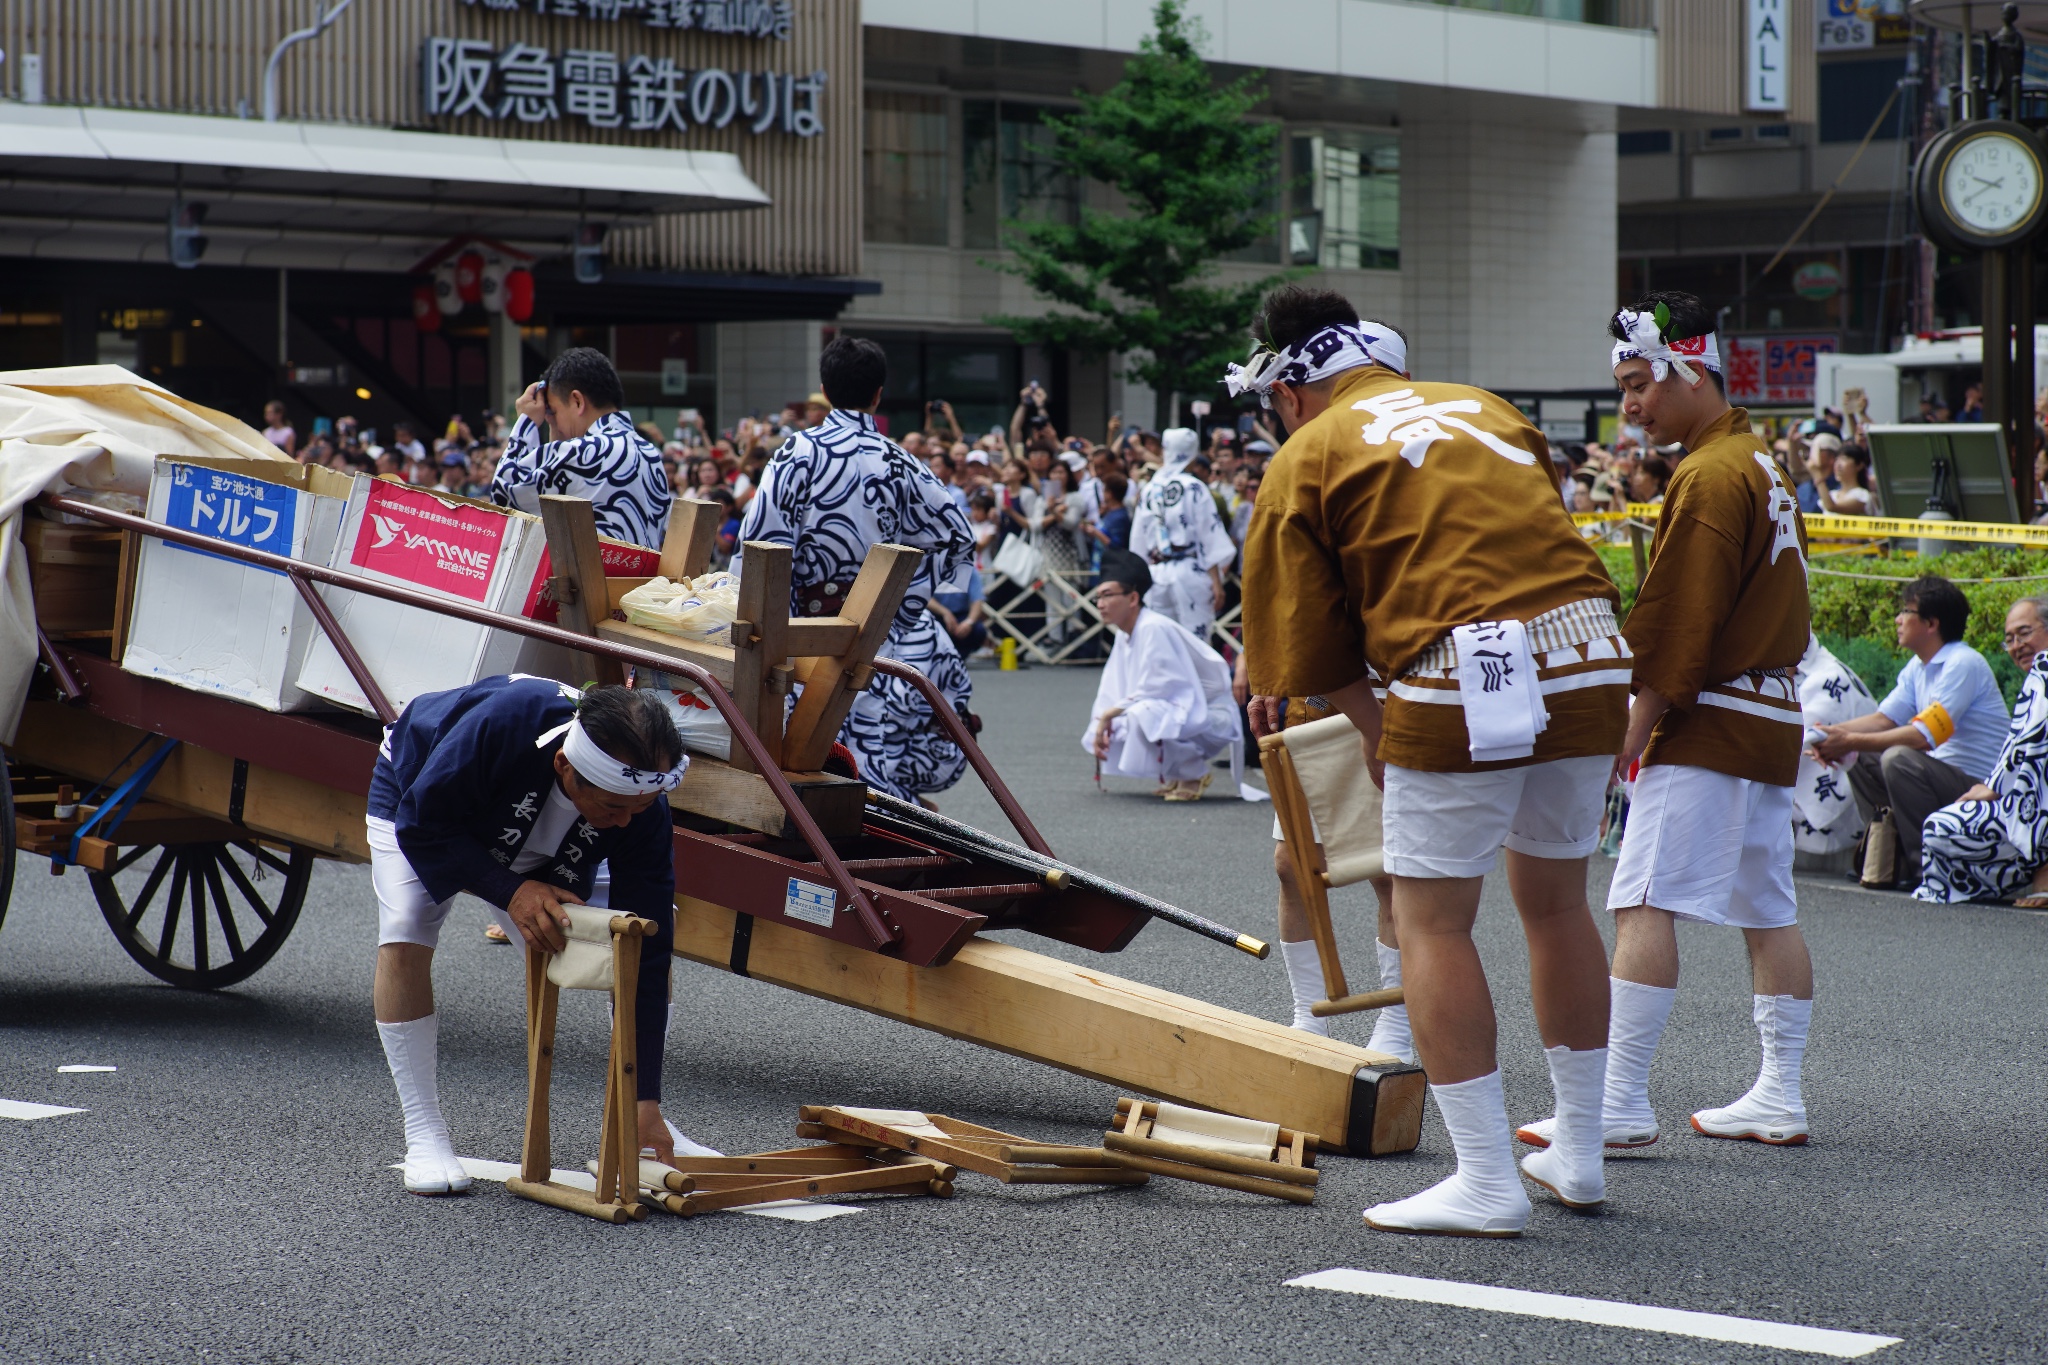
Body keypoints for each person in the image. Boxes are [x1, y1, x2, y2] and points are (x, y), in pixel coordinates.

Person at [1238, 285, 1627, 1237]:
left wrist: (1379, 734)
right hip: (1590, 648)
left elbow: (1303, 646)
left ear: (1289, 390)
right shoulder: (1484, 404)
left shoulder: (1309, 450)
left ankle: (1488, 1177)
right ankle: (1578, 1150)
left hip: (1463, 665)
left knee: (1434, 923)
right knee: (1558, 900)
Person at [1520, 292, 1816, 1162]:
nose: (1631, 405)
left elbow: (1680, 617)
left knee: (1642, 897)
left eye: (1640, 383)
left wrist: (1633, 723)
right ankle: (1780, 1090)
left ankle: (1616, 1101)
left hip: (1712, 713)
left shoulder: (1711, 472)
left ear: (1691, 371)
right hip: (1768, 712)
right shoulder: (1758, 460)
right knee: (1768, 906)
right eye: (1624, 388)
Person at [371, 680, 689, 1194]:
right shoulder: (502, 725)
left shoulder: (637, 804)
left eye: (641, 807)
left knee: (630, 939)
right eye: (615, 808)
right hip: (424, 801)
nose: (627, 821)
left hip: (550, 832)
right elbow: (424, 824)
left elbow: (649, 945)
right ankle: (423, 1133)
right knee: (409, 925)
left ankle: (638, 1119)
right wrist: (511, 891)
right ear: (566, 765)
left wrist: (644, 1096)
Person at [737, 337, 977, 802]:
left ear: (824, 389)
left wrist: (767, 620)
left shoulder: (796, 453)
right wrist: (906, 604)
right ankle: (880, 826)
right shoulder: (900, 459)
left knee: (800, 742)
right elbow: (957, 536)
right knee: (871, 732)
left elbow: (760, 543)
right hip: (879, 630)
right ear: (878, 394)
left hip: (803, 624)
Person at [1812, 576, 2006, 887]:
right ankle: (1887, 854)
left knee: (1898, 759)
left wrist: (1847, 739)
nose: (1898, 619)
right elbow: (1883, 720)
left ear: (1931, 623)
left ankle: (1926, 868)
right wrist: (1824, 735)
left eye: (1906, 611)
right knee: (1860, 754)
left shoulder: (1963, 663)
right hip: (1939, 777)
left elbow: (1923, 737)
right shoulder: (1919, 667)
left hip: (1976, 785)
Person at [1084, 551, 1254, 803]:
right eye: (1098, 597)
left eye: (1107, 595)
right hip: (1185, 706)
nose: (1099, 604)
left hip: (1212, 713)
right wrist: (1103, 718)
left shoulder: (1153, 627)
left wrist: (1112, 713)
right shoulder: (1125, 632)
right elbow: (1112, 686)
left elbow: (1163, 689)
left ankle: (1192, 773)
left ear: (1133, 598)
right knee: (1122, 713)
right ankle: (1177, 772)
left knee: (1143, 713)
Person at [1917, 596, 2048, 904]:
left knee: (1938, 822)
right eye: (2009, 640)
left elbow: (2034, 739)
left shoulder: (2044, 666)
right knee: (1940, 827)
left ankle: (2042, 871)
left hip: (2026, 800)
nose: (2017, 645)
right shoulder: (2038, 675)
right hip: (2017, 799)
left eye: (2025, 633)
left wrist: (1993, 786)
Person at [493, 347, 672, 550]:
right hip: (646, 579)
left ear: (577, 401)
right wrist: (555, 427)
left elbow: (503, 496)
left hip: (595, 581)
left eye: (555, 411)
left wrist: (526, 421)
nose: (554, 421)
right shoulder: (650, 453)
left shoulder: (583, 451)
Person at [1131, 428, 1235, 641]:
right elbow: (1209, 536)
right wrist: (1216, 582)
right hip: (1190, 571)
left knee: (1162, 642)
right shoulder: (1195, 487)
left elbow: (1138, 540)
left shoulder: (1150, 489)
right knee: (1195, 642)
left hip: (1156, 572)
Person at [929, 558, 989, 657]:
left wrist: (969, 622)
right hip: (935, 616)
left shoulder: (969, 570)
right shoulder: (930, 568)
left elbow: (977, 600)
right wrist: (945, 612)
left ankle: (960, 656)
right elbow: (923, 597)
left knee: (978, 630)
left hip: (961, 615)